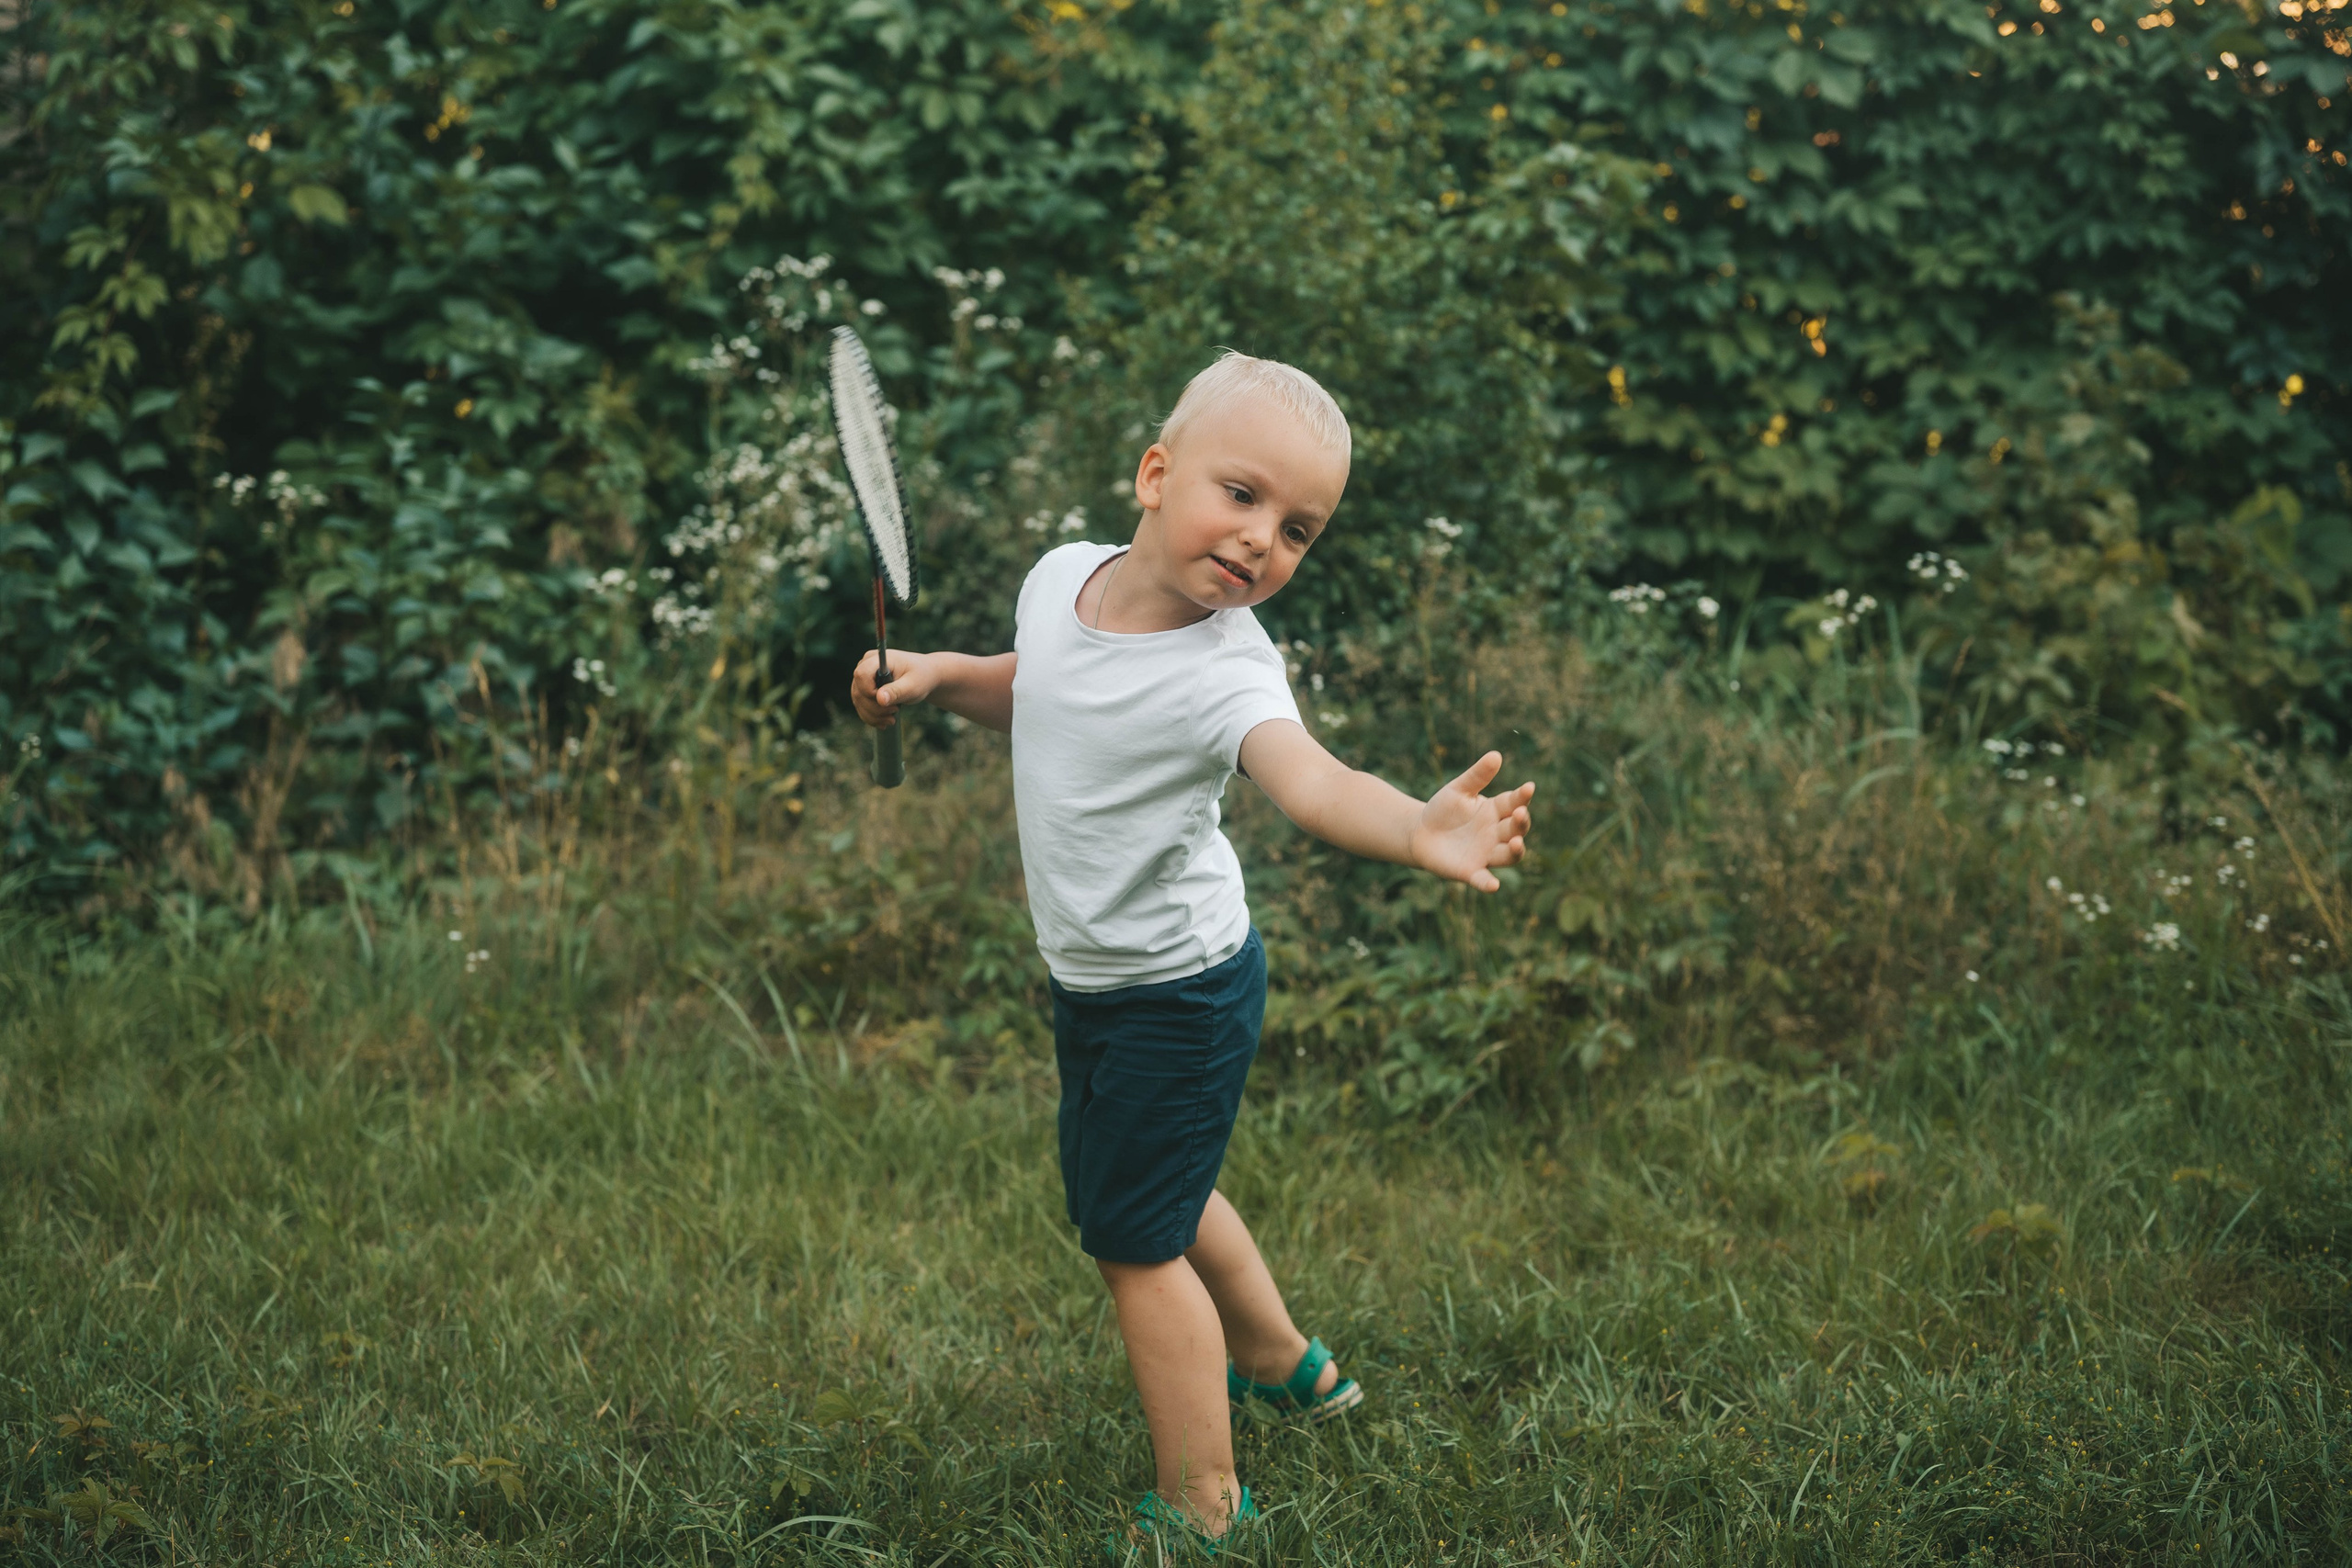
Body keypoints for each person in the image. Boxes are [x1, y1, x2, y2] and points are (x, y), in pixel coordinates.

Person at [848, 351, 1534, 1549]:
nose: (1265, 538)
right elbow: (1043, 689)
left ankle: (1203, 1507)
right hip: (1098, 980)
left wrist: (1414, 827)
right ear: (1157, 476)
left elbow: (1315, 782)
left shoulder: (1229, 672)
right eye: (1243, 495)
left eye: (1299, 529)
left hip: (1183, 993)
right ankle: (1285, 1364)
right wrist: (945, 679)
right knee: (1156, 1189)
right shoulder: (1061, 579)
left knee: (1135, 1244)